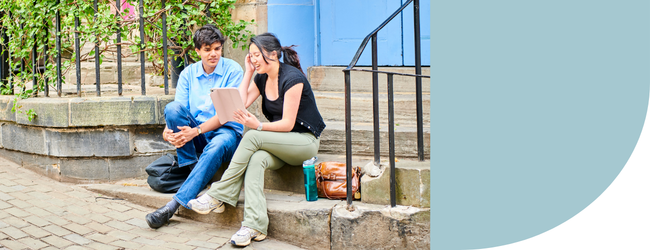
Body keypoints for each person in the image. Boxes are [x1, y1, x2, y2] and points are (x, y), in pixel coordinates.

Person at [186, 33, 326, 246]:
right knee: (256, 159)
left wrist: (258, 125)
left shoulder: (293, 79)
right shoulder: (261, 77)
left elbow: (288, 124)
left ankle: (219, 194)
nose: (253, 59)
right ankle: (254, 225)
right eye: (250, 55)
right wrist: (249, 72)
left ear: (273, 54)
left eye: (256, 55)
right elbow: (238, 105)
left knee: (252, 136)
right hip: (279, 142)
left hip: (303, 143)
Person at [145, 24, 244, 229]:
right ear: (197, 51)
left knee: (219, 143)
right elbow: (178, 111)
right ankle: (193, 171)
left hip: (226, 132)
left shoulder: (233, 70)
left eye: (217, 49)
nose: (213, 54)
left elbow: (226, 115)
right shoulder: (188, 74)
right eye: (207, 50)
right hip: (195, 134)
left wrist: (196, 131)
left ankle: (171, 207)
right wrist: (168, 131)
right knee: (172, 109)